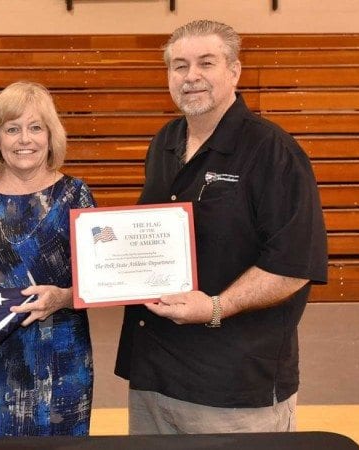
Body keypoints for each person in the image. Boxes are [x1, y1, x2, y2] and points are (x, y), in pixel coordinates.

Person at [114, 20, 328, 434]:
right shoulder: (166, 141)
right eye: (179, 66)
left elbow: (294, 266)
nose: (191, 76)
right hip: (154, 377)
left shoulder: (273, 151)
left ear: (234, 71)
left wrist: (215, 307)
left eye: (205, 63)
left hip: (232, 386)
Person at [0, 81, 95, 437]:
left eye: (35, 128)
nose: (24, 139)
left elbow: (98, 282)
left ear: (50, 136)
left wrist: (61, 297)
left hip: (62, 357)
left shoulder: (77, 194)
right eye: (12, 129)